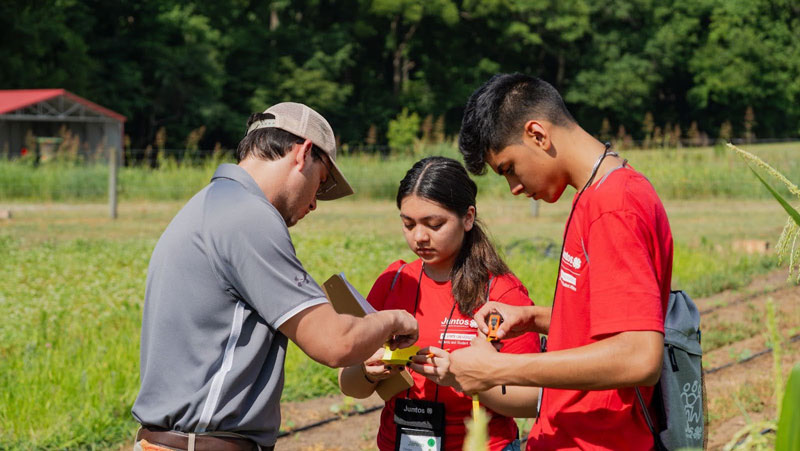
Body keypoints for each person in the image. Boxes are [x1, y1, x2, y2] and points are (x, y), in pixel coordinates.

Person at [131, 102, 418, 451]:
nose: (314, 203)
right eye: (321, 181)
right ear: (303, 153)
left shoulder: (210, 203)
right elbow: (334, 342)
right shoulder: (249, 217)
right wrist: (395, 320)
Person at [449, 73, 673, 450]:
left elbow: (639, 355)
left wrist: (499, 369)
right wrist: (534, 318)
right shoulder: (594, 196)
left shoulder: (613, 207)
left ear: (538, 134)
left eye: (508, 169)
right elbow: (613, 321)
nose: (514, 187)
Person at [338, 156, 541, 451]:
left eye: (434, 224)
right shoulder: (393, 281)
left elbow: (531, 399)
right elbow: (349, 383)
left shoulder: (501, 293)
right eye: (408, 224)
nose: (419, 237)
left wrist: (463, 378)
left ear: (468, 217)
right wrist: (370, 372)